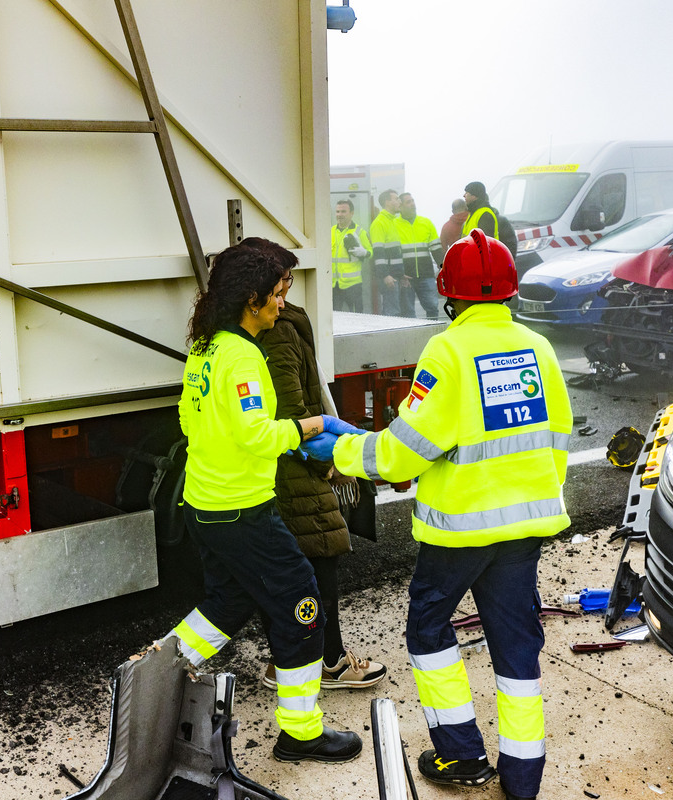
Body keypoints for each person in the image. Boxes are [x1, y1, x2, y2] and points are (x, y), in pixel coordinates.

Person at [330, 230, 573, 800]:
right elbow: (557, 437)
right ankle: (521, 779)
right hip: (525, 528)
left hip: (460, 530)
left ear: (449, 296)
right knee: (516, 646)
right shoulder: (539, 348)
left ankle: (461, 756)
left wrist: (342, 451)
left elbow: (402, 451)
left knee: (428, 629)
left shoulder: (447, 351)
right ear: (509, 294)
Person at [163, 242, 365, 764]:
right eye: (276, 295)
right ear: (251, 299)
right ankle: (302, 733)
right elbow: (256, 434)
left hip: (205, 504)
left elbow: (189, 422)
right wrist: (310, 426)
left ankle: (153, 675)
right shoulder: (244, 355)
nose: (282, 304)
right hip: (244, 510)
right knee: (302, 610)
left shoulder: (205, 349)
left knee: (226, 604)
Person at [240, 237, 388, 691]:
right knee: (317, 558)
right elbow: (291, 412)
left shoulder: (259, 328)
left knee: (287, 568)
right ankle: (328, 662)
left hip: (276, 462)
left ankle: (287, 659)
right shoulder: (278, 330)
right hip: (294, 464)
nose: (284, 299)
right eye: (280, 288)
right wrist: (332, 457)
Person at [396, 192, 446, 319]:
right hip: (406, 277)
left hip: (426, 275)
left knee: (432, 308)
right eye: (408, 202)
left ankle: (433, 334)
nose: (412, 204)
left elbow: (436, 249)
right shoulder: (394, 224)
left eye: (413, 201)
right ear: (400, 206)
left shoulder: (426, 223)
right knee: (407, 312)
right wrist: (399, 274)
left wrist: (443, 267)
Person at [370, 189, 406, 316]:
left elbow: (394, 253)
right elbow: (378, 253)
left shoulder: (391, 221)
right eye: (396, 199)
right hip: (388, 277)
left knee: (395, 311)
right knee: (392, 313)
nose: (399, 201)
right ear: (387, 202)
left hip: (394, 276)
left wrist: (401, 274)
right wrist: (385, 275)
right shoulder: (379, 223)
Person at [330, 199, 370, 312]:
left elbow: (371, 252)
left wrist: (365, 253)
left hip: (353, 285)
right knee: (334, 318)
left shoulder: (359, 232)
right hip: (334, 285)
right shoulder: (330, 231)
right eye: (337, 212)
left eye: (343, 211)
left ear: (352, 213)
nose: (339, 215)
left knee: (357, 317)